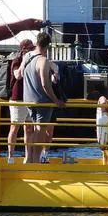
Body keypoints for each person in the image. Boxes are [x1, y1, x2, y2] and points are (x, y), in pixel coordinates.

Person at [22, 31, 65, 164]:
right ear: (48, 46)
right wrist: (56, 100)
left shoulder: (28, 58)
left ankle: (29, 159)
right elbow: (45, 84)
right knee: (40, 131)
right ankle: (35, 161)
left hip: (28, 100)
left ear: (36, 43)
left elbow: (22, 76)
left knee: (33, 130)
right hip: (42, 102)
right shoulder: (43, 61)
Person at [5, 39, 34, 163]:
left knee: (29, 128)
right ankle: (10, 156)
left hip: (30, 98)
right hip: (18, 98)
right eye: (30, 49)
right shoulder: (17, 61)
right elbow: (17, 75)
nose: (32, 51)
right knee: (15, 127)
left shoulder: (33, 61)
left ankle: (27, 157)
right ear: (24, 50)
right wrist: (24, 63)